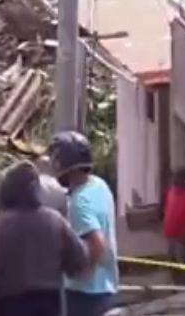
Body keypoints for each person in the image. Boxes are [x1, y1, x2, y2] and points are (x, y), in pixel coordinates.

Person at [0, 160, 88, 316]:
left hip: (11, 303)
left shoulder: (0, 227)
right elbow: (79, 260)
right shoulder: (55, 221)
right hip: (50, 303)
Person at [49, 132, 119, 316]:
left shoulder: (79, 202)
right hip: (106, 286)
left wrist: (80, 273)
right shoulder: (99, 185)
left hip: (84, 294)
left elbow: (97, 243)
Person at [162, 168, 185, 286]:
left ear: (184, 179)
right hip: (171, 235)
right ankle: (176, 287)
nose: (174, 179)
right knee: (172, 265)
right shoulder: (171, 192)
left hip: (183, 239)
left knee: (184, 265)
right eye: (174, 176)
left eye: (177, 177)